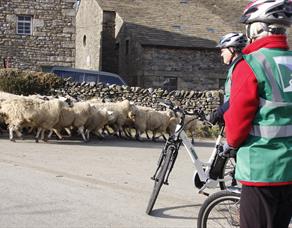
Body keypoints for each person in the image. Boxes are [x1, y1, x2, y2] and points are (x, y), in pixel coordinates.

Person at [222, 0, 292, 227]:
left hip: (261, 171)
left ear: (257, 28)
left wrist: (231, 144)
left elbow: (237, 122)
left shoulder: (251, 63)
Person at [209, 32, 247, 124]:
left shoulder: (241, 68)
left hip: (240, 122)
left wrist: (219, 113)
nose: (221, 55)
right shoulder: (235, 67)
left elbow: (238, 97)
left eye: (222, 51)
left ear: (232, 49)